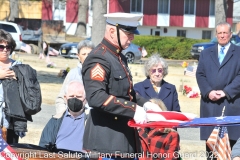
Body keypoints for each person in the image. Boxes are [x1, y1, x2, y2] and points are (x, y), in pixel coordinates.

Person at [82, 12, 161, 159]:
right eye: (127, 33)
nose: (132, 37)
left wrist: (146, 104)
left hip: (124, 140)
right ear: (112, 31)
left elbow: (126, 93)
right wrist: (133, 109)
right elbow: (96, 97)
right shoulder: (99, 57)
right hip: (106, 142)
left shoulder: (119, 57)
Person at [196, 22, 240, 160]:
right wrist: (208, 91)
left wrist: (226, 92)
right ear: (216, 35)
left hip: (231, 105)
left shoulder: (238, 52)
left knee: (230, 150)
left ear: (230, 34)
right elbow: (200, 74)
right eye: (219, 33)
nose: (222, 36)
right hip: (210, 106)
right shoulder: (205, 53)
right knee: (211, 150)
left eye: (225, 32)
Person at [39, 80, 86, 151]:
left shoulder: (91, 121)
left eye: (79, 97)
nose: (74, 99)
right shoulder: (55, 120)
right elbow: (43, 146)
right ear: (65, 98)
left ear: (85, 100)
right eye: (71, 96)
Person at [55, 40, 95, 114]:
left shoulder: (100, 73)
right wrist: (63, 114)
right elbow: (60, 99)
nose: (87, 57)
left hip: (92, 119)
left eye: (89, 54)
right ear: (78, 56)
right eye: (84, 54)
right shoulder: (72, 73)